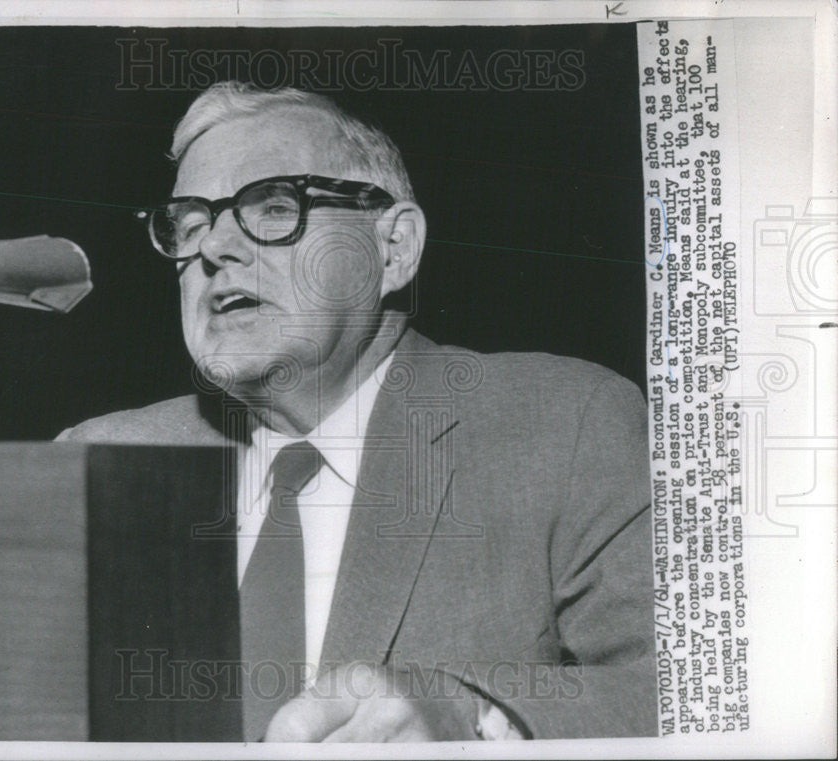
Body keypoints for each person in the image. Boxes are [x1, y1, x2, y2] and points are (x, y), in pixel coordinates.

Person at [58, 81, 657, 742]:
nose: (214, 249)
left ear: (393, 248)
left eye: (274, 205)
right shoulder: (101, 459)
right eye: (191, 224)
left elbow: (683, 690)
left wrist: (474, 718)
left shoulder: (562, 425)